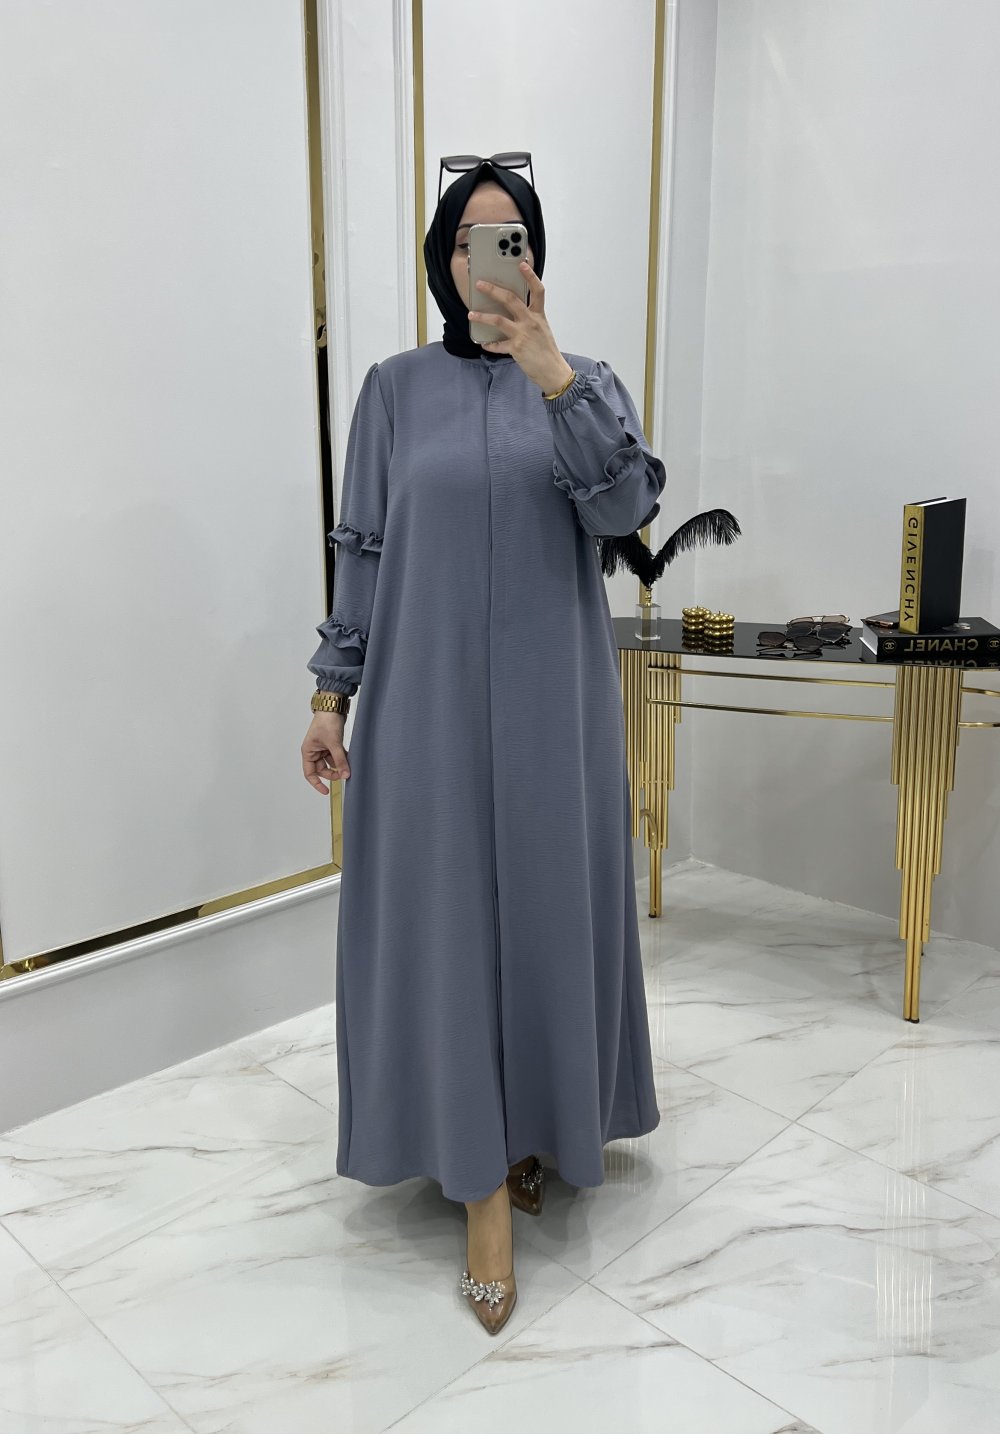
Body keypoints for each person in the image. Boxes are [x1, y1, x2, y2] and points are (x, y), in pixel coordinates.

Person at [301, 155, 665, 1335]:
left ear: (534, 259)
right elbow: (362, 546)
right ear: (442, 258)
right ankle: (480, 1190)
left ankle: (537, 1131)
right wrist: (331, 694)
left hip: (555, 701)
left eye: (508, 237)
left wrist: (552, 374)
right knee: (448, 923)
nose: (485, 257)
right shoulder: (393, 390)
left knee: (550, 910)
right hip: (427, 700)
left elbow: (625, 513)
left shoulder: (585, 381)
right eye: (467, 238)